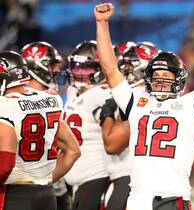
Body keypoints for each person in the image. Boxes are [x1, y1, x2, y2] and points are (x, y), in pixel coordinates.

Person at [94, 3, 194, 210]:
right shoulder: (137, 102)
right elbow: (110, 70)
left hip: (173, 196)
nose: (160, 81)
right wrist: (102, 23)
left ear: (179, 80)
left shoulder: (191, 104)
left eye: (167, 76)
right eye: (156, 76)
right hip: (137, 197)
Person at [0, 51, 80, 210]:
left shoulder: (5, 106)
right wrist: (44, 180)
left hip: (14, 195)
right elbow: (73, 151)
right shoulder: (49, 99)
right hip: (47, 195)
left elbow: (5, 164)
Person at [100, 41, 159, 210]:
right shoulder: (143, 96)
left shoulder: (139, 97)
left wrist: (107, 113)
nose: (124, 71)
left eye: (129, 67)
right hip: (131, 177)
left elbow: (112, 144)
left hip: (129, 178)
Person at [21, 41, 77, 210]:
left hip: (22, 188)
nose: (57, 70)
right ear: (36, 66)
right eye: (52, 65)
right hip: (47, 189)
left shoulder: (11, 98)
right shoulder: (51, 99)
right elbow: (73, 150)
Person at [63, 40, 110, 210]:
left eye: (86, 68)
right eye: (76, 67)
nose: (79, 72)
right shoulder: (71, 91)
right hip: (73, 177)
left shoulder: (102, 94)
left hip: (95, 174)